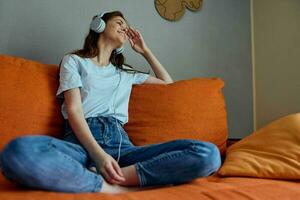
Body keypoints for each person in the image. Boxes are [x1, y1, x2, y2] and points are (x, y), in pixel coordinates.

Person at [0, 10, 221, 194]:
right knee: (17, 152)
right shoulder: (74, 61)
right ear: (99, 24)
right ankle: (107, 186)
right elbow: (75, 110)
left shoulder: (126, 73)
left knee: (208, 155)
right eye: (119, 22)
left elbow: (170, 86)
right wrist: (98, 155)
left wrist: (145, 51)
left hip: (123, 148)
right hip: (79, 145)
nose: (125, 28)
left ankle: (120, 179)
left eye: (126, 25)